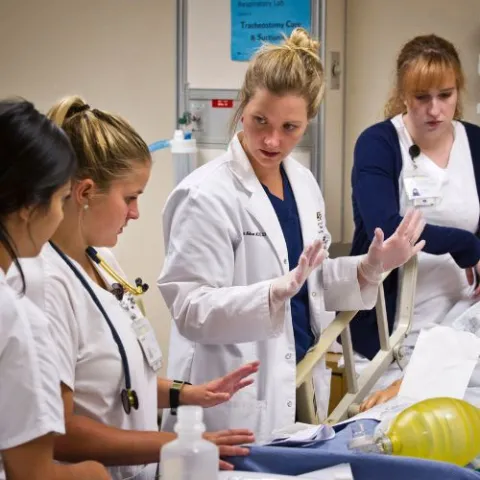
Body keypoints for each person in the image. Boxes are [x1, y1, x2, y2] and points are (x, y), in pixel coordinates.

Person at [157, 27, 426, 442]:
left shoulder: (302, 183)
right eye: (260, 120)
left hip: (297, 378)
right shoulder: (204, 195)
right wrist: (269, 295)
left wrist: (370, 268)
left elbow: (310, 282)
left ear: (309, 123)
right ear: (242, 105)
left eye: (290, 127)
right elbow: (190, 308)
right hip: (233, 394)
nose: (272, 139)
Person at [8, 95, 258, 479]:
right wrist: (175, 445)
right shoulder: (44, 287)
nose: (135, 212)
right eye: (130, 198)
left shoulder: (103, 264)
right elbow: (59, 429)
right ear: (85, 193)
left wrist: (186, 393)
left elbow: (110, 379)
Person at [349, 33, 480, 404]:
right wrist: (465, 244)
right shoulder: (379, 143)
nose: (435, 109)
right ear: (403, 94)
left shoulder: (475, 144)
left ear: (459, 91)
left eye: (446, 95)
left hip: (461, 326)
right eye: (422, 97)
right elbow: (385, 229)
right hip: (391, 333)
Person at [0, 99, 109, 479]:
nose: (62, 214)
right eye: (61, 199)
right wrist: (94, 473)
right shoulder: (14, 313)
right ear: (30, 206)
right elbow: (32, 475)